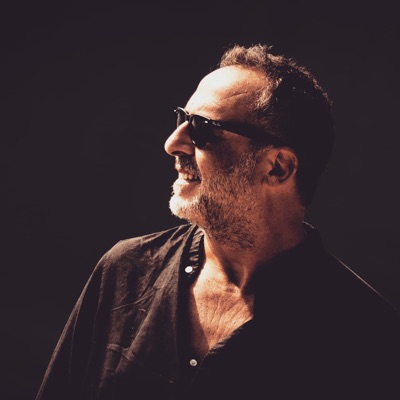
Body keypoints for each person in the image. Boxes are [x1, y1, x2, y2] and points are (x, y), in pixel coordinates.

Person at [35, 44, 400, 400]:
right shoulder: (124, 270)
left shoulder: (367, 333)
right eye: (182, 119)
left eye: (203, 128)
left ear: (277, 167)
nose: (173, 143)